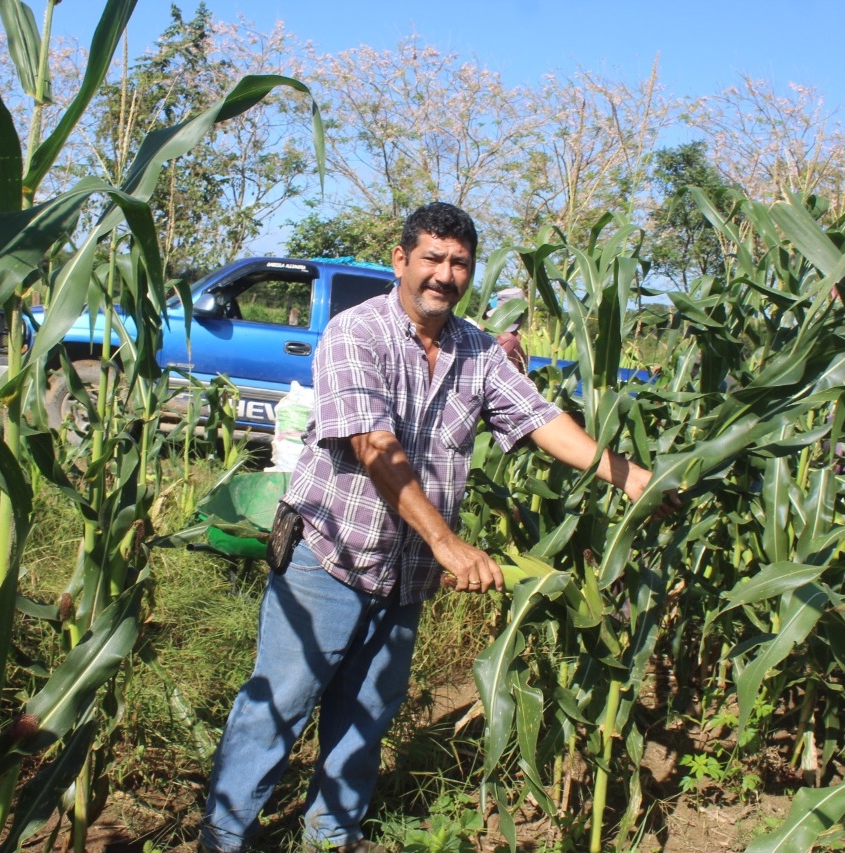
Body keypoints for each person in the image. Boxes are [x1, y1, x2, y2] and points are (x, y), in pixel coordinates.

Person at [198, 202, 677, 853]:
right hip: (329, 554)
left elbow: (538, 418)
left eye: (459, 263)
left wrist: (628, 476)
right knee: (279, 702)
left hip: (406, 573)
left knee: (367, 712)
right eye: (432, 258)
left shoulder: (476, 350)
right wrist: (448, 543)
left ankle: (330, 836)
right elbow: (373, 444)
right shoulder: (355, 332)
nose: (444, 274)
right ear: (401, 260)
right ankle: (224, 835)